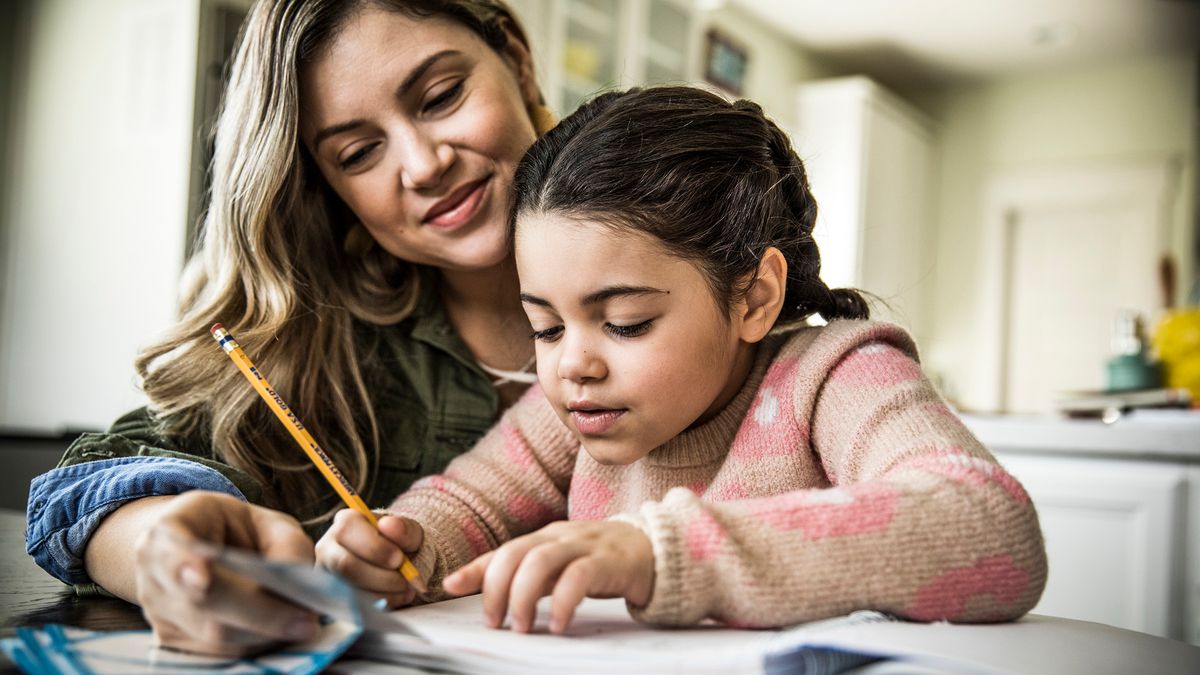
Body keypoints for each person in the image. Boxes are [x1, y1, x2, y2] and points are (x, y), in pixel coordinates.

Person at [315, 85, 1049, 634]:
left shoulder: (836, 375)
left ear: (754, 296)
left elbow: (992, 526)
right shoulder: (572, 409)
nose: (574, 363)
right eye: (543, 326)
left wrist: (660, 550)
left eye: (626, 323)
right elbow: (466, 503)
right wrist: (403, 545)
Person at [24, 0, 555, 656]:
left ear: (519, 61)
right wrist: (164, 551)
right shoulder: (323, 353)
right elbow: (86, 484)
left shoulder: (697, 243)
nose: (423, 165)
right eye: (359, 152)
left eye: (441, 96)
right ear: (327, 183)